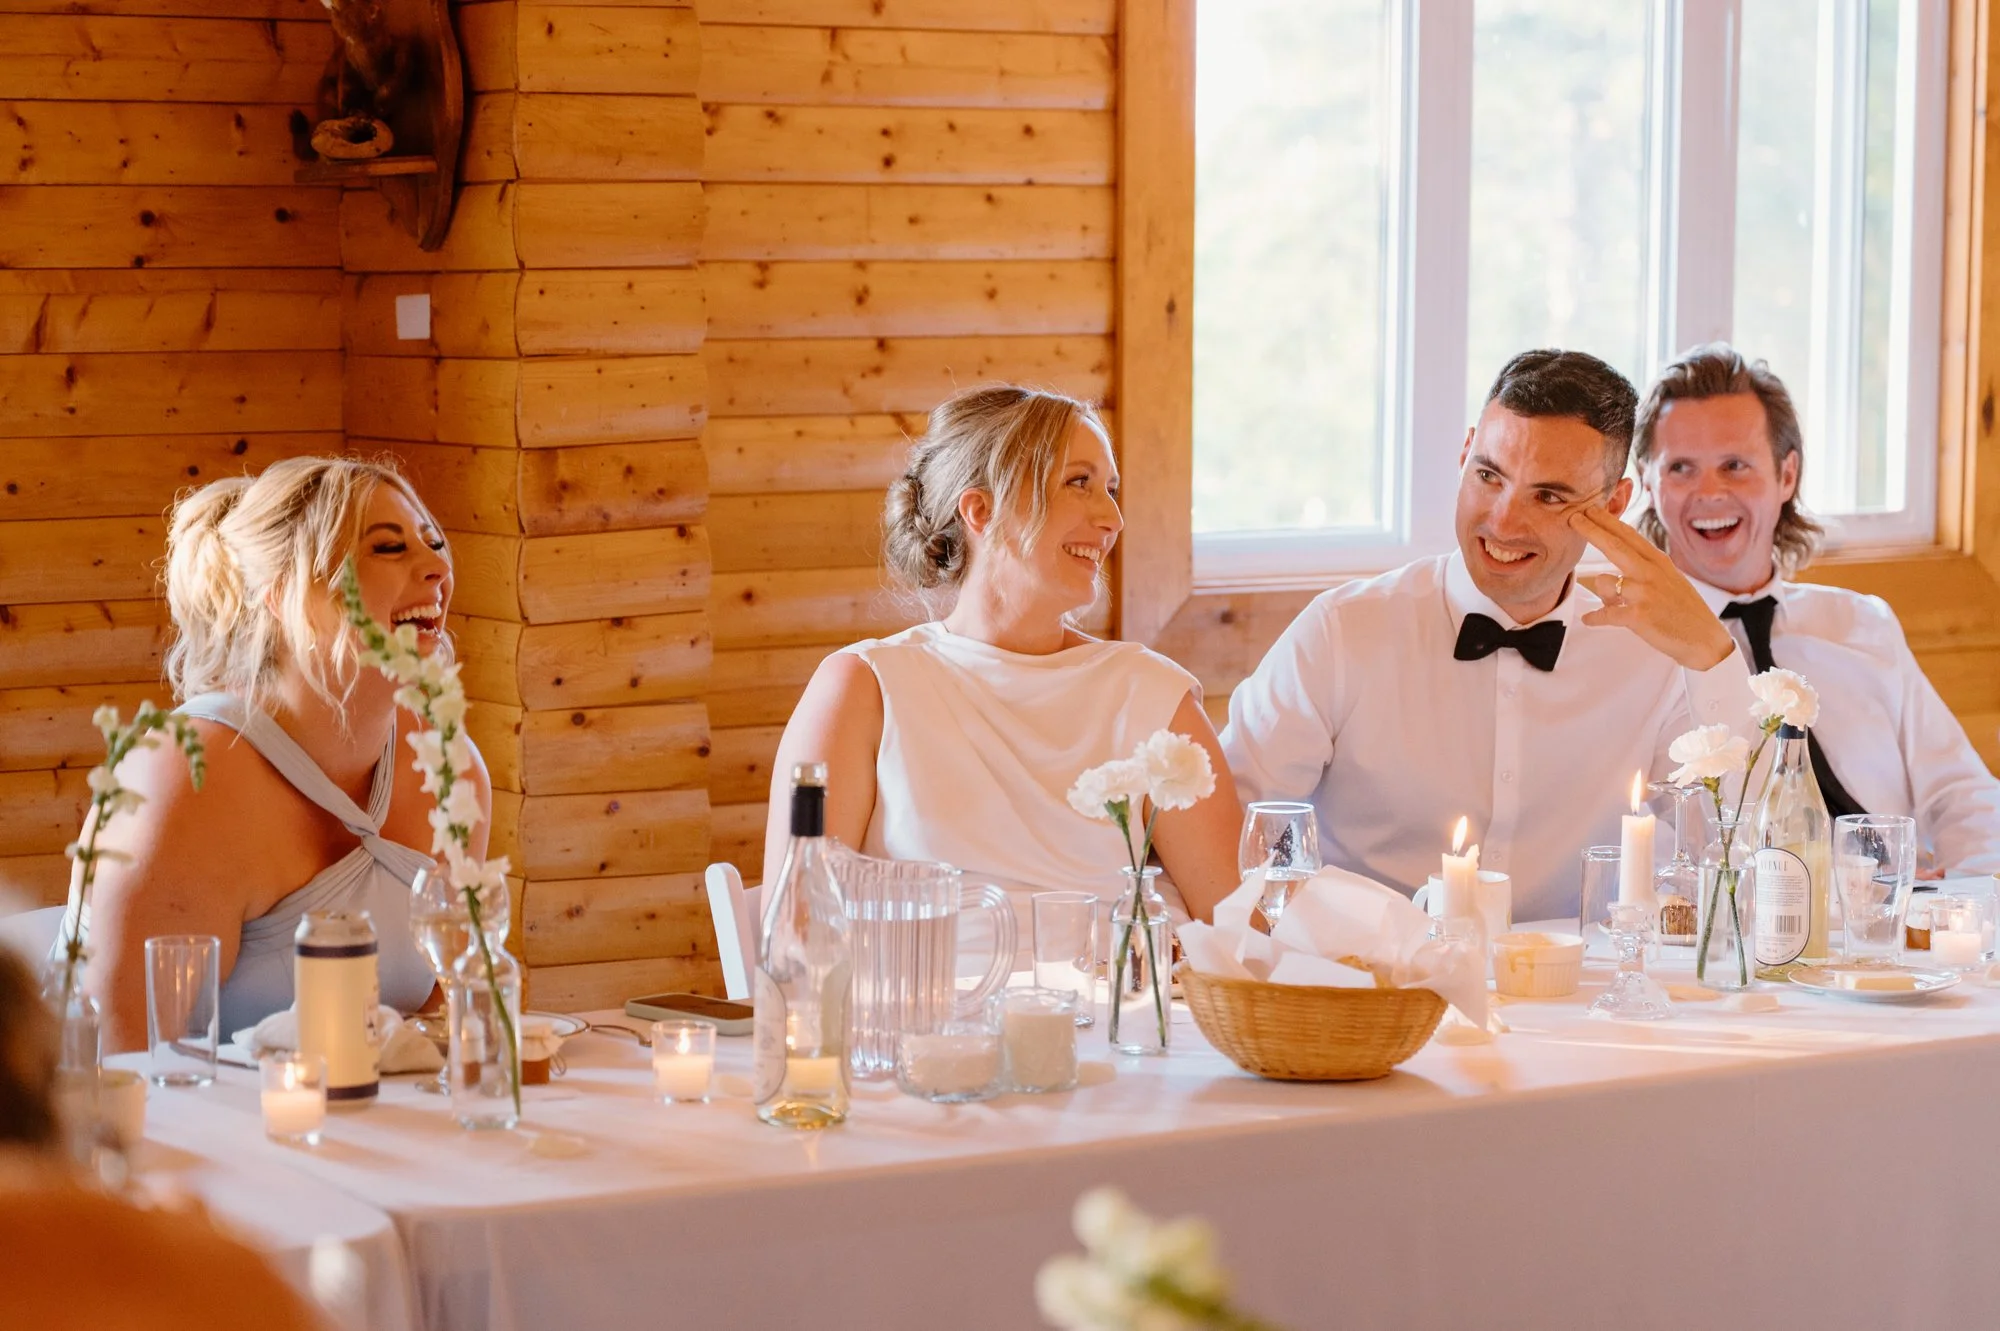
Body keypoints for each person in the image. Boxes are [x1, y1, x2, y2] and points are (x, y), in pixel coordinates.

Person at [1222, 350, 1754, 921]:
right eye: (1488, 476)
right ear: (1465, 450)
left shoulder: (1653, 657)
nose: (1502, 521)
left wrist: (1710, 654)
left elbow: (1750, 857)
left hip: (1579, 996)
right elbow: (1226, 828)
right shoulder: (1341, 634)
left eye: (1548, 496)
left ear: (1614, 505)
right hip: (1370, 992)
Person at [765, 385, 1242, 944]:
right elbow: (794, 938)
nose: (1112, 517)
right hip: (920, 1022)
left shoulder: (1152, 695)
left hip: (1116, 1023)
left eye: (1111, 489)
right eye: (1079, 483)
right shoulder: (866, 687)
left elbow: (1242, 930)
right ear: (981, 510)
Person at [86, 457, 486, 1050]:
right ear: (289, 596)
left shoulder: (449, 769)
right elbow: (123, 1070)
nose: (436, 568)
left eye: (434, 543)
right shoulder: (188, 777)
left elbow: (445, 1018)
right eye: (388, 548)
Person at [1634, 343, 2000, 873]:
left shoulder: (1863, 624)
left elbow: (1962, 793)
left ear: (1787, 475)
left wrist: (1962, 901)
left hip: (1901, 926)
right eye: (1682, 468)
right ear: (1647, 481)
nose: (1709, 493)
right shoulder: (1630, 651)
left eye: (1734, 465)